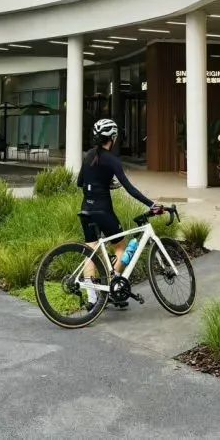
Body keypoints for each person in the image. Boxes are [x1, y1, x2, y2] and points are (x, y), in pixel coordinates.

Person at [77, 118, 158, 306]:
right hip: (103, 211)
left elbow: (80, 182)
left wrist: (101, 182)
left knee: (91, 251)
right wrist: (151, 204)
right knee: (120, 246)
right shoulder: (112, 160)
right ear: (112, 138)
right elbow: (130, 189)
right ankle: (113, 287)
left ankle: (92, 299)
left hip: (86, 209)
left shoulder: (89, 155)